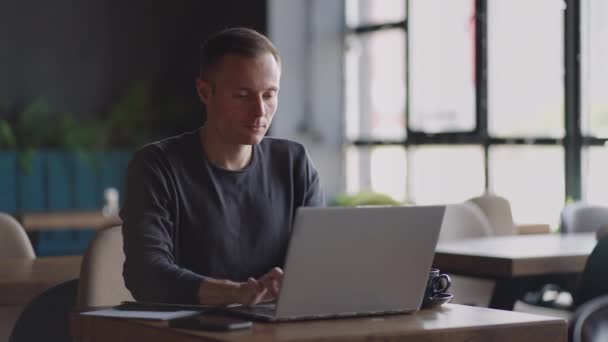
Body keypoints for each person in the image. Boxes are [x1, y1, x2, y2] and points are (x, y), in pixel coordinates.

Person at [120, 27, 325, 306]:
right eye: (242, 95)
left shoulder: (293, 163)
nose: (259, 111)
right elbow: (145, 273)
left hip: (278, 326)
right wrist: (237, 294)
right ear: (205, 92)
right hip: (192, 329)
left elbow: (317, 263)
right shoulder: (156, 166)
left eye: (269, 95)